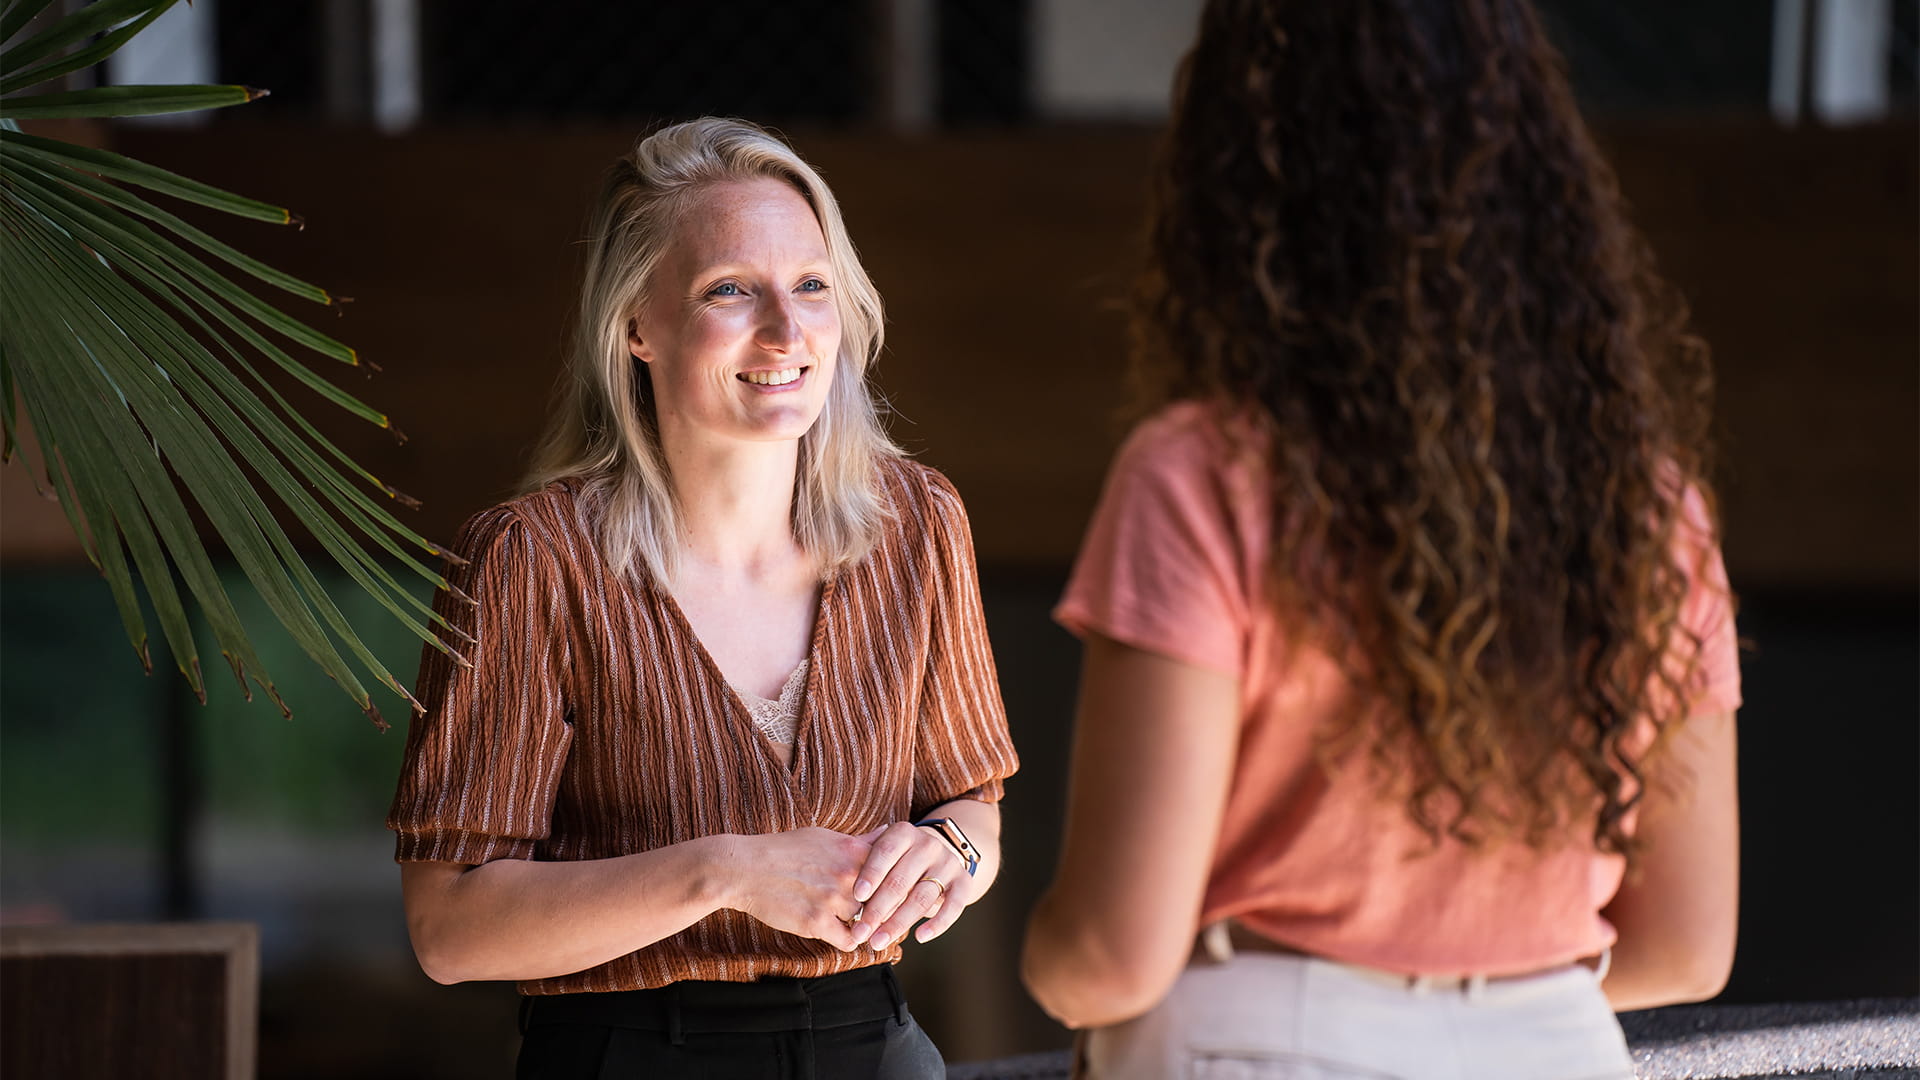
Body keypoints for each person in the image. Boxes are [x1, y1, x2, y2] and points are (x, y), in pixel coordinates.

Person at [1021, 2, 1740, 1077]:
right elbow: (1687, 945)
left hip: (1260, 1041)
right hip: (1555, 1049)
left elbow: (1114, 955)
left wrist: (1047, 963)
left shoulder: (1208, 477)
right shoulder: (1650, 510)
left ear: (1246, 183)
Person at [387, 117, 1019, 1079]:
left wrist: (953, 860)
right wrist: (724, 871)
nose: (787, 330)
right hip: (632, 1054)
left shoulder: (920, 525)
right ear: (636, 326)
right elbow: (448, 930)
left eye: (812, 285)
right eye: (732, 290)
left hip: (873, 1042)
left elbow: (971, 805)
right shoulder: (531, 561)